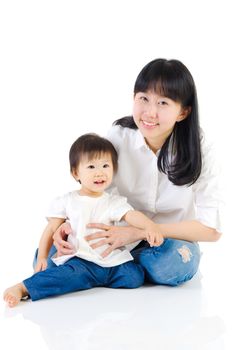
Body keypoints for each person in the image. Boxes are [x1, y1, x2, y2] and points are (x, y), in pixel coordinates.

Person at [53, 58, 222, 287]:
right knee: (48, 254)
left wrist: (140, 232)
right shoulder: (118, 135)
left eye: (163, 103)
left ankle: (109, 267)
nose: (150, 113)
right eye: (143, 98)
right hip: (116, 234)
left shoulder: (200, 148)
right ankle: (121, 268)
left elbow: (211, 230)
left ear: (183, 112)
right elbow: (94, 187)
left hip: (168, 241)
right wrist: (69, 224)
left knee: (170, 264)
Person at [4, 133, 167, 307]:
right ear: (76, 173)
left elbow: (131, 215)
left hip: (110, 262)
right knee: (65, 276)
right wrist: (43, 256)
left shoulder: (112, 201)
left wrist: (150, 227)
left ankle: (94, 281)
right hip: (80, 261)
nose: (99, 173)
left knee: (134, 277)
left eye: (105, 166)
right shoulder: (68, 201)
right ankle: (23, 288)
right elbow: (51, 230)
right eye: (91, 167)